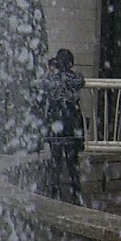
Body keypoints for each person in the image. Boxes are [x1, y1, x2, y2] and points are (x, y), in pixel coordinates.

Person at [37, 48, 86, 204]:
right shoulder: (75, 78)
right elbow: (81, 81)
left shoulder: (51, 80)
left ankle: (54, 190)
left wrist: (50, 69)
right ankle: (76, 190)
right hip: (71, 122)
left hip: (56, 122)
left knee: (56, 159)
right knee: (72, 160)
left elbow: (42, 83)